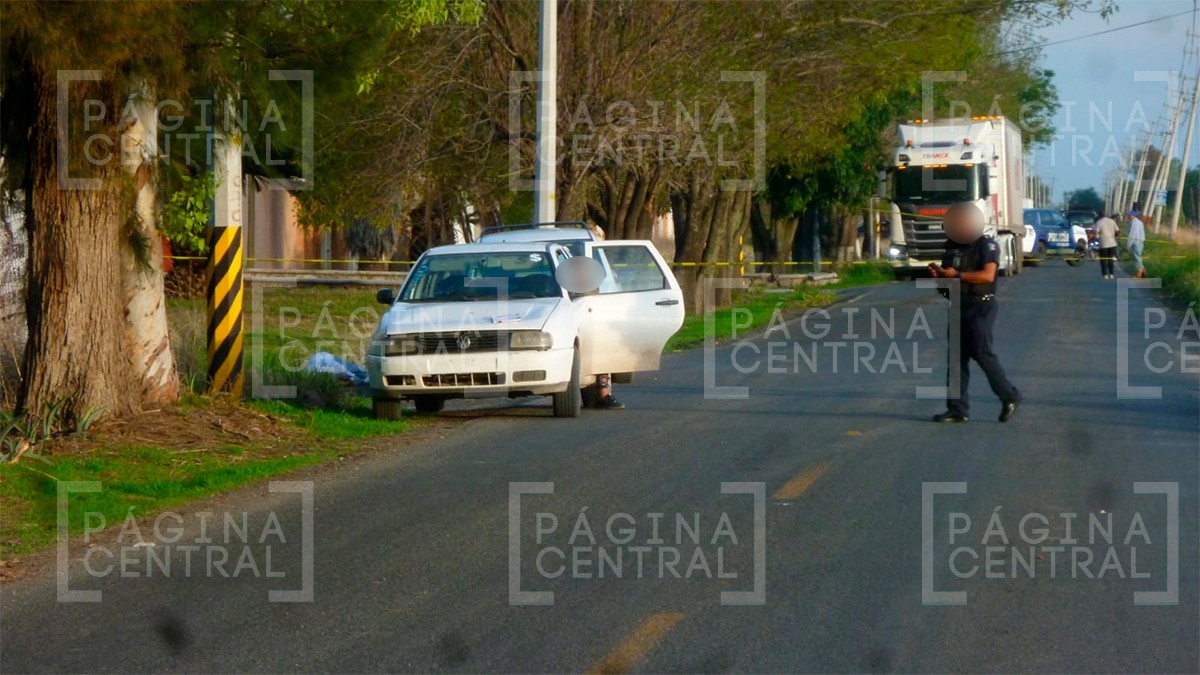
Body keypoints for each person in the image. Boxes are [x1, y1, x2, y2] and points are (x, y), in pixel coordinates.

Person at [928, 202, 1021, 424]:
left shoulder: (986, 246)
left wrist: (958, 275)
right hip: (958, 304)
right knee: (956, 359)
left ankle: (1010, 396)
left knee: (982, 353)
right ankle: (957, 409)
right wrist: (939, 276)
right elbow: (947, 281)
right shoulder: (950, 247)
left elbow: (988, 276)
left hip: (981, 305)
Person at [1093, 212, 1120, 279]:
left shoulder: (1099, 222)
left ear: (1099, 216)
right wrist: (1115, 235)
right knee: (1111, 259)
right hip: (1112, 243)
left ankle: (1105, 274)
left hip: (1103, 244)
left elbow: (1096, 233)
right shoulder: (1112, 221)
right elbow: (1118, 230)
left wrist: (1096, 238)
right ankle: (1111, 274)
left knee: (1103, 259)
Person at [1125, 208, 1146, 279]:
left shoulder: (1134, 223)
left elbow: (1132, 235)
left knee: (1136, 258)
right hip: (1140, 242)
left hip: (1136, 242)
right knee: (1138, 257)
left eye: (1129, 215)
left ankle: (1139, 273)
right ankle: (1143, 270)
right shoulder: (1139, 222)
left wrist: (1128, 245)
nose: (1128, 216)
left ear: (1133, 216)